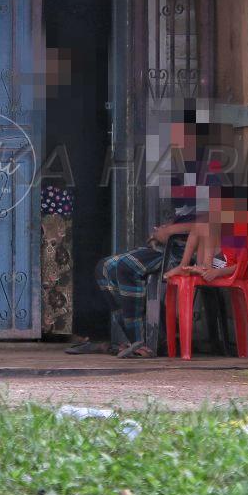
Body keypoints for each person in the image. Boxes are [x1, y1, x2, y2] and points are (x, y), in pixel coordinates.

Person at [66, 119, 209, 359]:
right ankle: (141, 338)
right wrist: (163, 231)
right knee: (105, 268)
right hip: (171, 246)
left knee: (126, 268)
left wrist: (170, 232)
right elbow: (186, 219)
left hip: (191, 252)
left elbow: (210, 224)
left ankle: (142, 340)